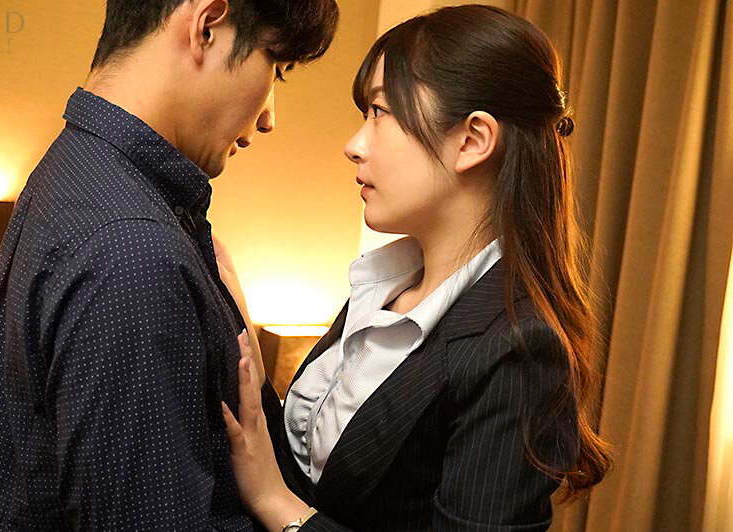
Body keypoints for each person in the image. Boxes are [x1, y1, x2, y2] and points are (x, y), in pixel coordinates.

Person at [218, 5, 612, 531]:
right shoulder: (386, 287)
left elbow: (286, 496)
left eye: (380, 112)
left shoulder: (516, 348)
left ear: (472, 140)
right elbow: (308, 472)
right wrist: (246, 344)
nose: (354, 145)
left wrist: (278, 506)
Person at [0, 1, 338, 530]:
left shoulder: (73, 170)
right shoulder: (131, 251)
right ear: (207, 25)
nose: (268, 117)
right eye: (276, 67)